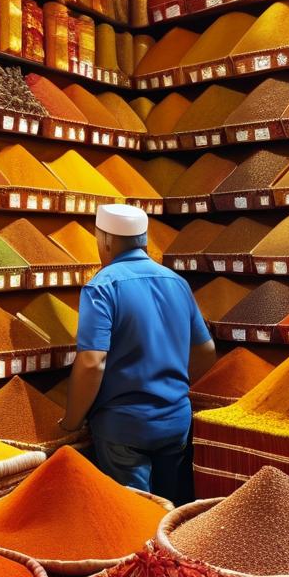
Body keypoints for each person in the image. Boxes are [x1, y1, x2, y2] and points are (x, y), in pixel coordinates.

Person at [58, 203, 215, 503]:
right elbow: (206, 350)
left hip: (124, 426)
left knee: (136, 515)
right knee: (170, 511)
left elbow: (92, 362)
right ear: (143, 238)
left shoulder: (102, 287)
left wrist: (72, 421)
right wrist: (173, 384)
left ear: (105, 240)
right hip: (176, 420)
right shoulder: (177, 283)